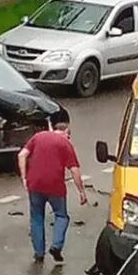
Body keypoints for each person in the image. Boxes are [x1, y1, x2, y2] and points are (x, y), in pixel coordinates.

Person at [18, 111, 88, 264]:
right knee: (61, 216)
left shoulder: (38, 137)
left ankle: (38, 253)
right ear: (66, 132)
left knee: (37, 217)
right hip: (55, 187)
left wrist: (24, 177)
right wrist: (81, 192)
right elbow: (74, 170)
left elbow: (22, 155)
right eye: (69, 135)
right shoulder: (65, 144)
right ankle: (56, 245)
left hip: (34, 184)